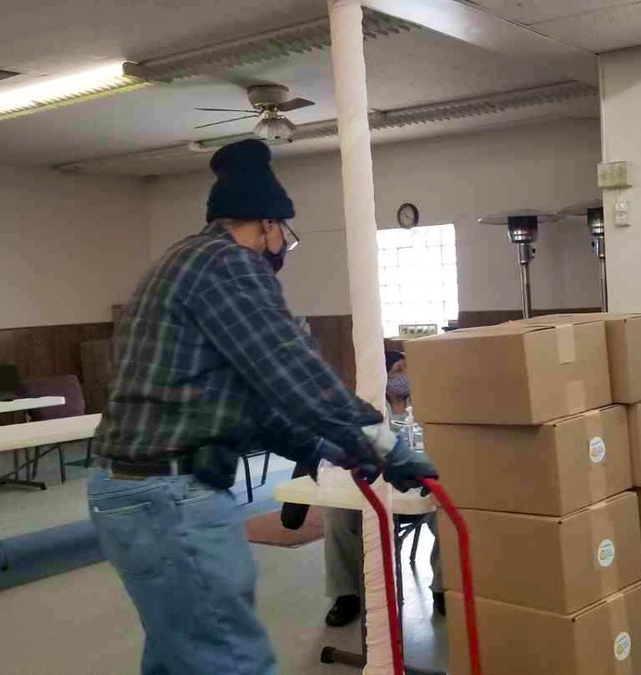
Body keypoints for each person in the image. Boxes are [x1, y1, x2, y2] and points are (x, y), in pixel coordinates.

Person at [87, 139, 436, 675]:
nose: (281, 250)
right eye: (284, 236)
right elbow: (294, 372)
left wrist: (328, 447)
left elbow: (251, 402)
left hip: (129, 491)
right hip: (171, 495)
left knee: (179, 654)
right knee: (230, 657)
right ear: (269, 225)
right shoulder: (230, 265)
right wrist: (383, 444)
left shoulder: (180, 263)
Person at [323, 350, 446, 625]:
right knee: (336, 516)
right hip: (376, 490)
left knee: (444, 514)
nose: (404, 376)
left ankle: (443, 588)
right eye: (397, 370)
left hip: (417, 486)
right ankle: (346, 595)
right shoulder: (371, 407)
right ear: (383, 377)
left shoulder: (427, 403)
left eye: (406, 369)